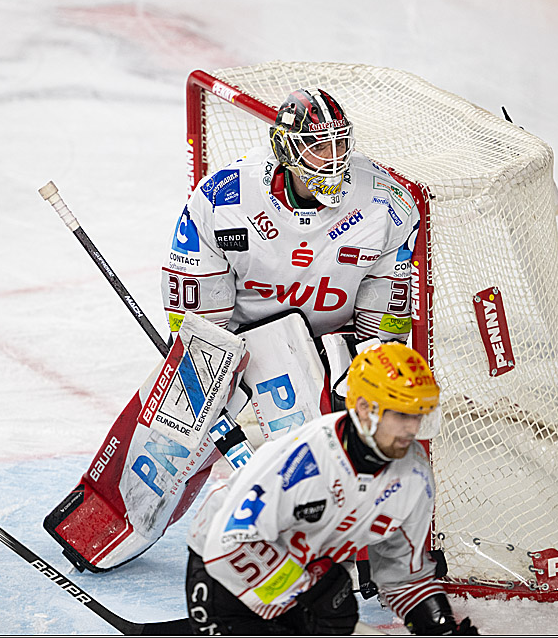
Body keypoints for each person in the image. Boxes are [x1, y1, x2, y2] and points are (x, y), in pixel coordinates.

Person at [44, 88, 423, 572]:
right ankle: (110, 518)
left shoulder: (385, 202)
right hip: (235, 339)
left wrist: (362, 387)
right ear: (286, 149)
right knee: (171, 424)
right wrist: (214, 383)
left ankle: (344, 539)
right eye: (317, 146)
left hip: (331, 347)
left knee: (313, 454)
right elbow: (196, 315)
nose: (333, 160)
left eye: (339, 145)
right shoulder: (226, 197)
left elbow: (382, 327)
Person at [184, 341, 478, 635]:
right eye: (402, 414)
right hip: (222, 575)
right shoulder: (303, 459)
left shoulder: (413, 474)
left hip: (305, 578)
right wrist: (314, 590)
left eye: (419, 414)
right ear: (364, 408)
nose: (412, 429)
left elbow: (401, 573)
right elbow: (228, 543)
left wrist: (439, 627)